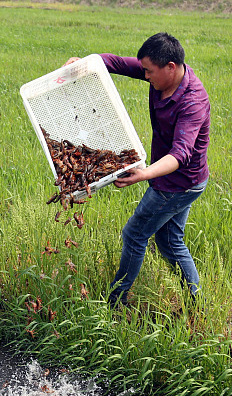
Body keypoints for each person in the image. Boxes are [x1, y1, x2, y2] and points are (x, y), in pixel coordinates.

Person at [66, 32, 211, 310]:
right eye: (143, 69)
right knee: (169, 240)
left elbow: (180, 154)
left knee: (134, 234)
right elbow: (115, 63)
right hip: (177, 178)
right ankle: (196, 303)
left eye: (149, 71)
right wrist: (84, 63)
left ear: (171, 67)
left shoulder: (192, 102)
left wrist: (143, 174)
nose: (145, 76)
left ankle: (116, 302)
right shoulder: (159, 72)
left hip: (178, 182)